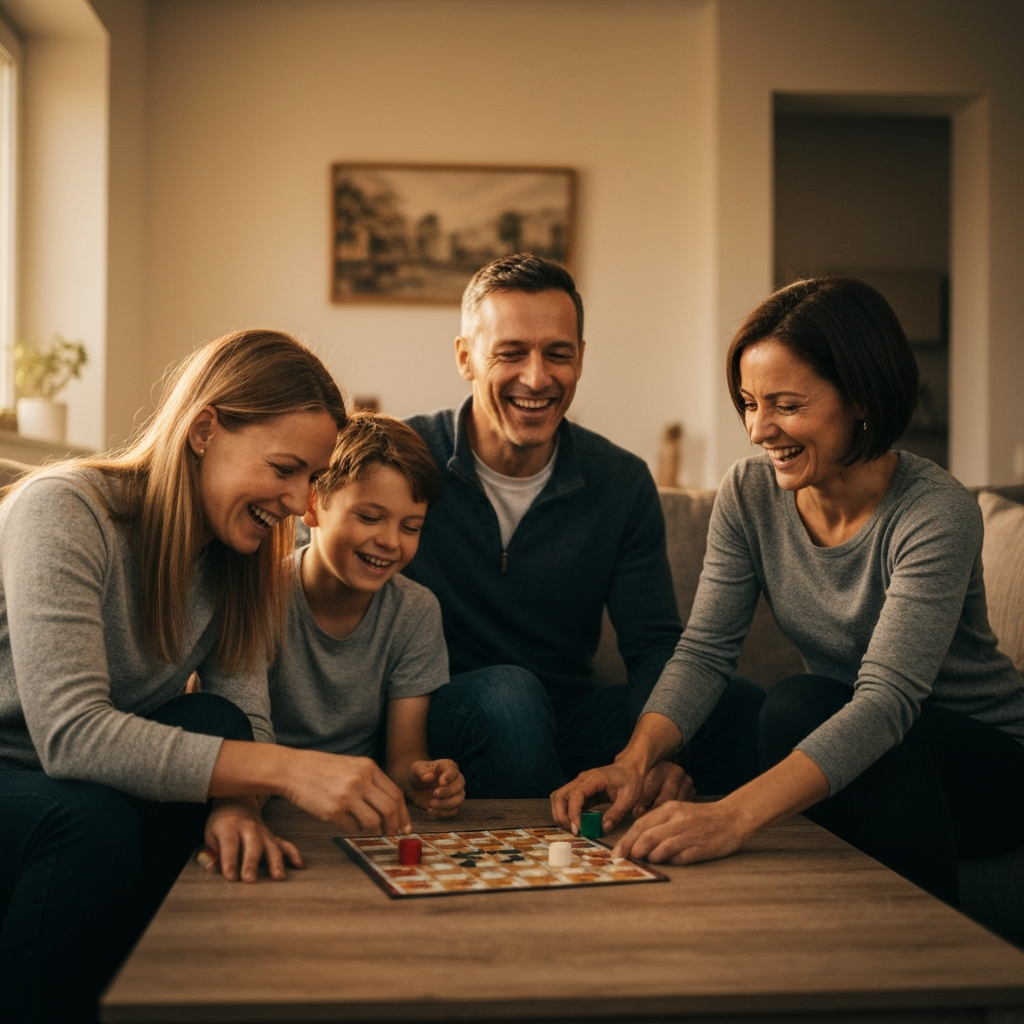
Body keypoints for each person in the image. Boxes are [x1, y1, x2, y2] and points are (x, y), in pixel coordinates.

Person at [551, 277, 1024, 909]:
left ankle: (923, 960)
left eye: (786, 404)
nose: (758, 429)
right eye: (748, 403)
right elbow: (704, 651)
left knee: (799, 705)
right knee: (785, 709)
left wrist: (733, 817)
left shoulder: (935, 511)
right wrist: (633, 762)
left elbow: (886, 701)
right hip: (870, 749)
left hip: (986, 765)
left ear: (860, 397)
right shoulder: (750, 493)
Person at [0, 329, 413, 1023]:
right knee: (89, 824)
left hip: (81, 777)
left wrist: (236, 806)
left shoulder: (238, 557)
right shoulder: (65, 509)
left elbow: (241, 712)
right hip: (28, 764)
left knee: (214, 724)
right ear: (203, 430)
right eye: (285, 469)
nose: (296, 500)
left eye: (311, 478)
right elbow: (71, 735)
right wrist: (285, 772)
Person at [405, 253, 764, 801]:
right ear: (465, 357)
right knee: (509, 697)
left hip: (565, 716)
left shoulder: (619, 481)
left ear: (581, 358)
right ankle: (562, 846)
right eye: (511, 353)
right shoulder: (409, 458)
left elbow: (652, 646)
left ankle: (656, 826)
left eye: (558, 354)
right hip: (441, 714)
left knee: (738, 705)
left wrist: (657, 758)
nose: (537, 377)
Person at [270, 412, 465, 819]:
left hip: (360, 808)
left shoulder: (415, 611)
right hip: (267, 795)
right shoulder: (263, 596)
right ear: (312, 504)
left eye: (410, 527)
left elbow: (405, 752)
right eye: (370, 517)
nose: (390, 541)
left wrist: (420, 779)